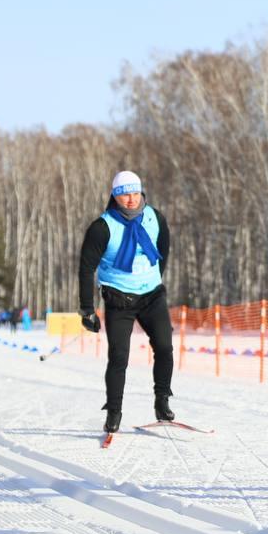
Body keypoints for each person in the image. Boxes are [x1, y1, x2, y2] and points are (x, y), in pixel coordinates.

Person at [78, 171, 174, 433]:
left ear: (141, 192)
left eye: (134, 193)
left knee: (165, 347)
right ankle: (113, 411)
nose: (130, 200)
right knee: (119, 356)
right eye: (123, 195)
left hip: (152, 295)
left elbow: (163, 251)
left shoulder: (156, 218)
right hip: (119, 299)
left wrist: (151, 280)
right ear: (115, 196)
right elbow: (87, 268)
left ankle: (162, 400)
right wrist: (87, 309)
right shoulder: (102, 227)